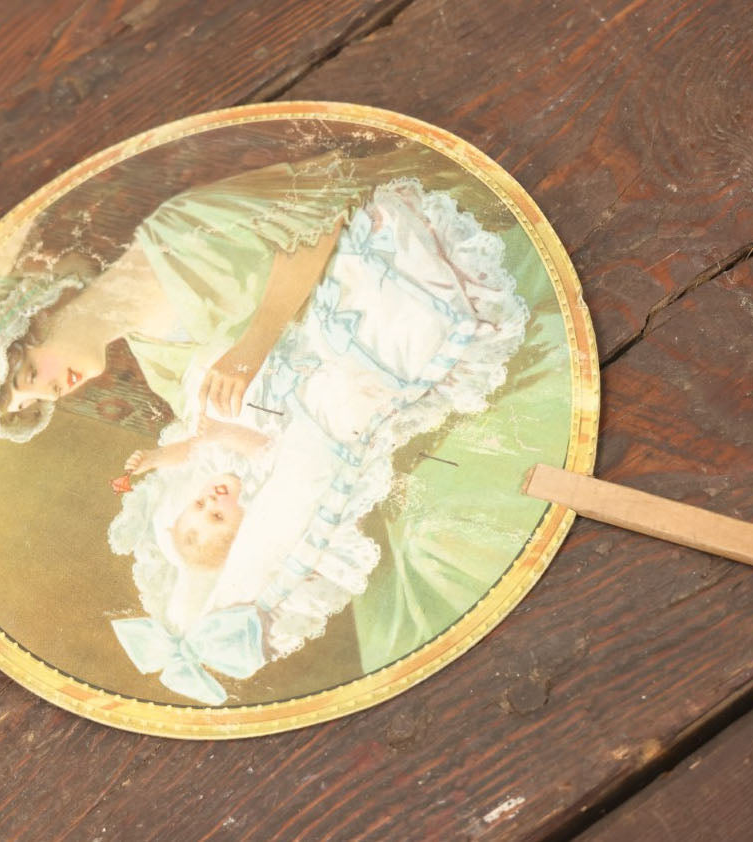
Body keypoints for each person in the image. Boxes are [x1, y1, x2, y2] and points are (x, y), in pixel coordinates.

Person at [106, 178, 532, 703]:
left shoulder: (219, 473)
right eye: (216, 516)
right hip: (306, 394)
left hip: (285, 372)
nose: (211, 499)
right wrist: (222, 433)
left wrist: (159, 457)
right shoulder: (264, 482)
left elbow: (196, 451)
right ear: (243, 531)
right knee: (382, 327)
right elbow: (257, 448)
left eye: (196, 504)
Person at [0, 145, 501, 440]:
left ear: (37, 319)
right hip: (392, 362)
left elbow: (326, 209)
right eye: (35, 403)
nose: (54, 395)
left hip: (428, 268)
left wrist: (255, 342)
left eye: (31, 378)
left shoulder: (180, 229)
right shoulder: (160, 362)